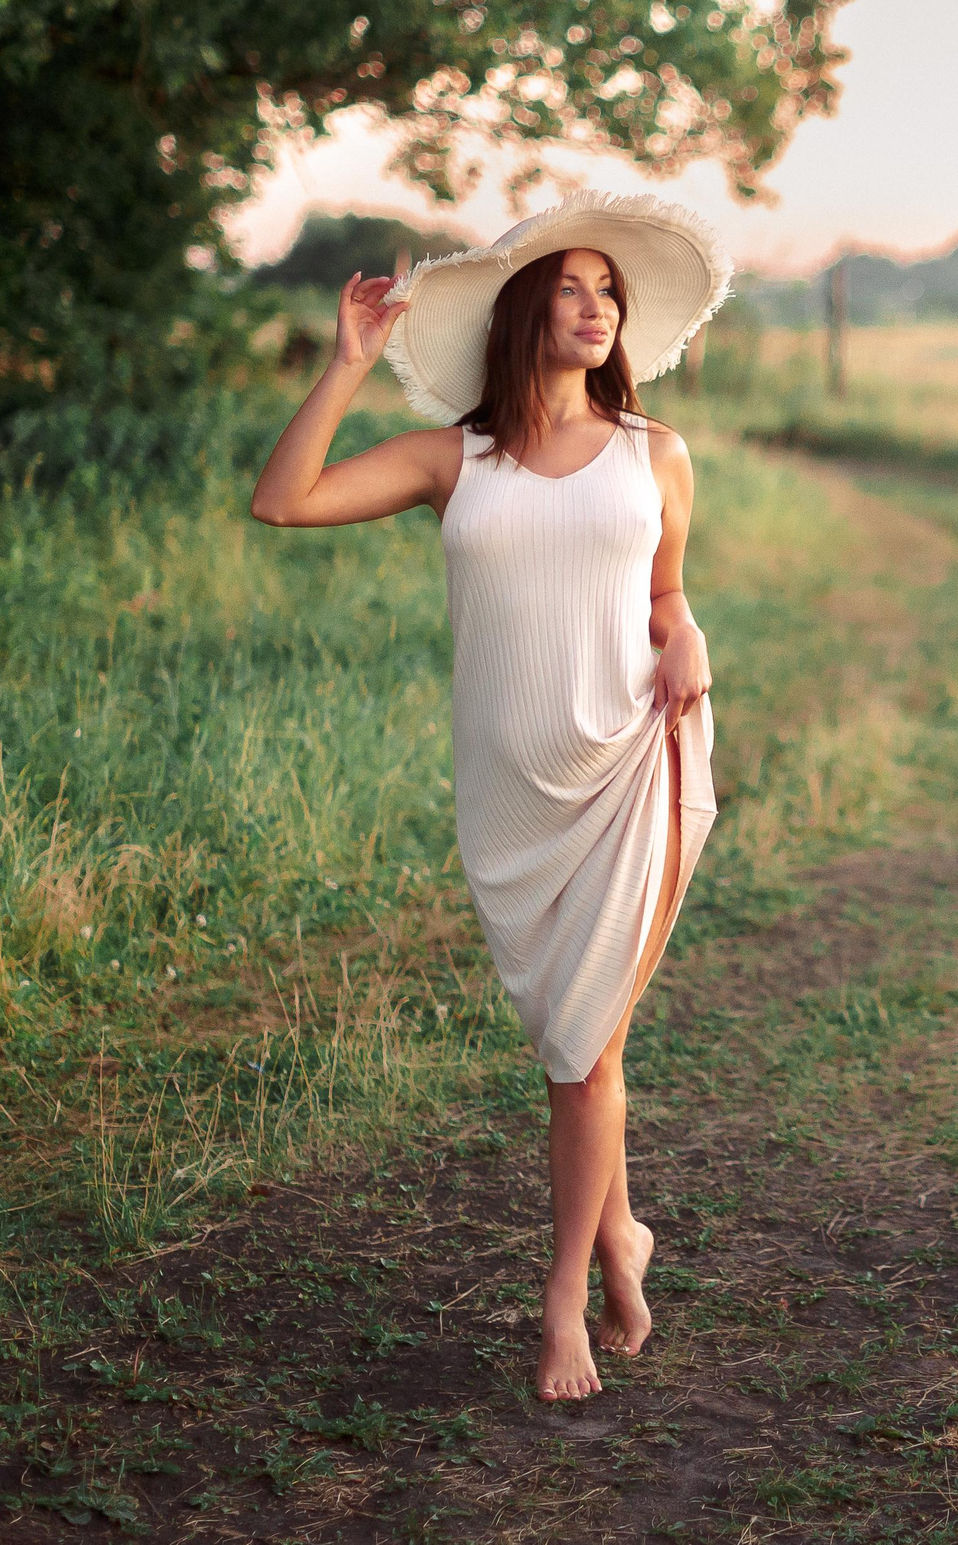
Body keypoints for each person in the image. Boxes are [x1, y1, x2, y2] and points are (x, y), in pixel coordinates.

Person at [249, 191, 728, 1403]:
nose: (596, 306)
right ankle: (621, 1230)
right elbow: (283, 498)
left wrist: (689, 639)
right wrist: (348, 362)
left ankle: (567, 1295)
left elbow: (667, 593)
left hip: (633, 763)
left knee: (582, 1049)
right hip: (512, 793)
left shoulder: (654, 455)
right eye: (572, 287)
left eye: (609, 291)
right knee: (580, 1037)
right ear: (525, 312)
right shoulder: (451, 462)